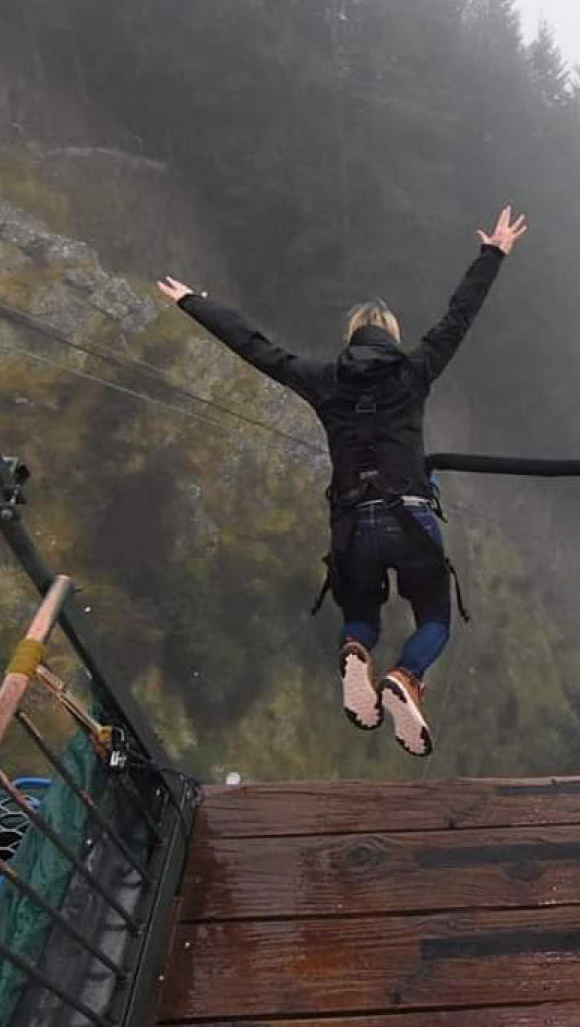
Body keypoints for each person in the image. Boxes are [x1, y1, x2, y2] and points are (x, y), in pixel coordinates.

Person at [157, 205, 528, 756]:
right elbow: (458, 317)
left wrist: (194, 302)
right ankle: (406, 676)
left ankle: (357, 648)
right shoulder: (415, 369)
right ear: (392, 336)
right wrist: (491, 254)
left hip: (352, 525)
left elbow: (256, 347)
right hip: (411, 517)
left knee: (360, 614)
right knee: (433, 618)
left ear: (352, 337)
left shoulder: (323, 379)